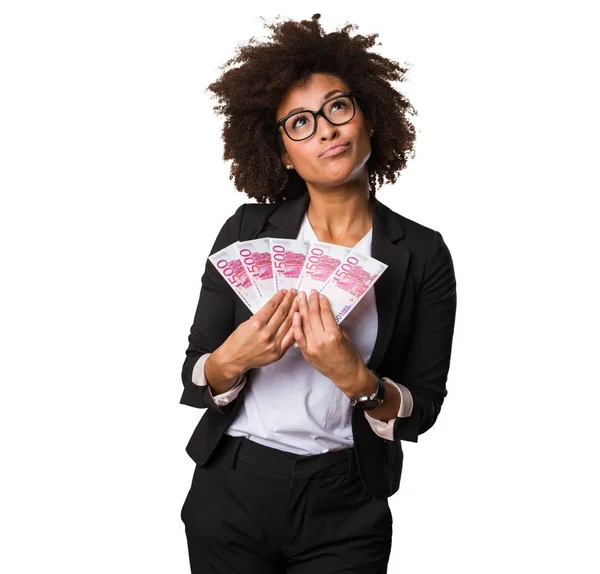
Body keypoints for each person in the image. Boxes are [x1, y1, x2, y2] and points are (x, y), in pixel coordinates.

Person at [179, 13, 457, 574]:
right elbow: (193, 371)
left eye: (337, 108)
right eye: (299, 123)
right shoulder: (245, 232)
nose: (325, 130)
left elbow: (422, 406)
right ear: (282, 152)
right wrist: (232, 360)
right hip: (231, 486)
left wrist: (357, 379)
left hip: (347, 500)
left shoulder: (422, 253)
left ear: (368, 120)